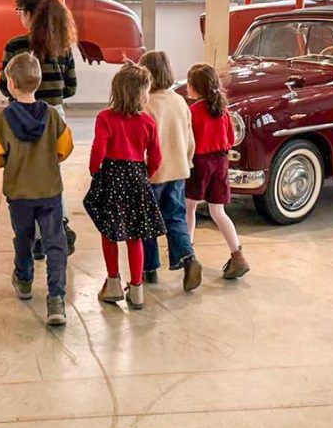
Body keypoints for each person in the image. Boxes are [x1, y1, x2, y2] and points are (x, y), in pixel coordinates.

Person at [0, 52, 75, 326]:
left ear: (11, 84)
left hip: (19, 193)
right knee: (55, 243)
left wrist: (8, 161)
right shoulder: (52, 116)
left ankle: (24, 280)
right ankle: (56, 299)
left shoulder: (2, 120)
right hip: (49, 191)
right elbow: (65, 148)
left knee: (23, 237)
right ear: (38, 82)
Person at [0, 0, 78, 258]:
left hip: (20, 114)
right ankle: (58, 225)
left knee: (24, 173)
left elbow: (4, 85)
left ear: (29, 14)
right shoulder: (63, 46)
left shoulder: (15, 46)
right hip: (55, 114)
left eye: (19, 12)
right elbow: (71, 88)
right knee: (51, 173)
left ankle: (33, 238)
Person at [84, 63, 165, 310]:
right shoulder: (148, 122)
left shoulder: (105, 118)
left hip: (111, 177)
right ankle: (137, 289)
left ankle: (113, 284)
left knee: (109, 232)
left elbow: (98, 150)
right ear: (142, 93)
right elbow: (157, 157)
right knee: (135, 235)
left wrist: (95, 171)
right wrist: (145, 175)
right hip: (137, 178)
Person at [139, 51, 204, 292]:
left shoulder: (145, 104)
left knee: (147, 221)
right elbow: (190, 139)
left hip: (153, 173)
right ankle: (188, 258)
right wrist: (187, 162)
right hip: (178, 170)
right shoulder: (180, 102)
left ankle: (149, 268)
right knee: (176, 217)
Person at [185, 63, 250, 280]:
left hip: (199, 163)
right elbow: (230, 140)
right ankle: (237, 255)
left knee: (189, 207)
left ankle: (188, 256)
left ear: (195, 87)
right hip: (221, 162)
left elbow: (189, 141)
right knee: (218, 211)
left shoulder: (193, 111)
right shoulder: (223, 110)